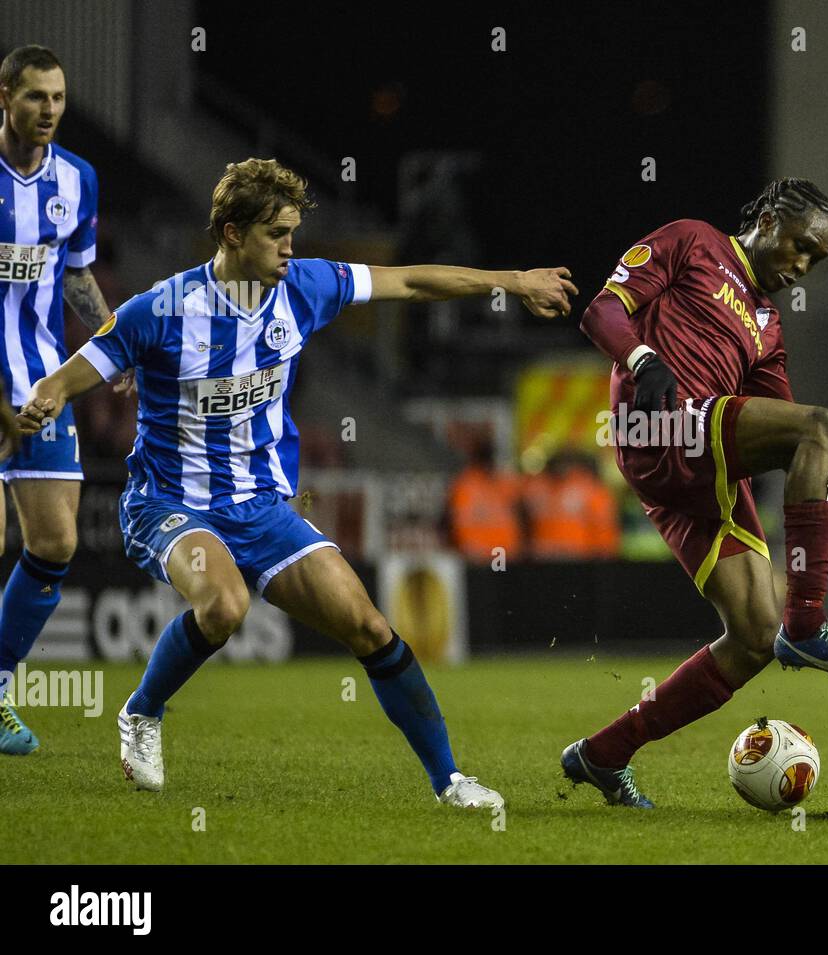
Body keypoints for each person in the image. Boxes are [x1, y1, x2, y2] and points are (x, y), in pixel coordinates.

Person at [18, 158, 576, 809]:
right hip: (168, 503)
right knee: (224, 605)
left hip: (261, 508)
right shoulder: (163, 310)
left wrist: (510, 280)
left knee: (369, 627)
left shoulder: (306, 287)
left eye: (293, 232)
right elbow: (85, 363)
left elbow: (413, 283)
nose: (291, 246)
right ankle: (143, 711)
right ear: (231, 233)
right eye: (276, 233)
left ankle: (449, 779)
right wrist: (47, 395)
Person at [562, 178, 828, 807]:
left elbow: (802, 448)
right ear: (764, 216)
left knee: (754, 639)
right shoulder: (693, 241)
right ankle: (808, 625)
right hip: (660, 429)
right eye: (799, 245)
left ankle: (603, 754)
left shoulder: (767, 327)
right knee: (822, 425)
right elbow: (601, 310)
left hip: (700, 475)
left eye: (816, 260)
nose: (802, 265)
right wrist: (644, 361)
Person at [0, 45, 118, 755]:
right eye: (36, 97)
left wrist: (109, 346)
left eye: (59, 98)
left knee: (55, 541)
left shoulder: (78, 180)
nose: (49, 110)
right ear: (4, 96)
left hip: (40, 382)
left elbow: (75, 277)